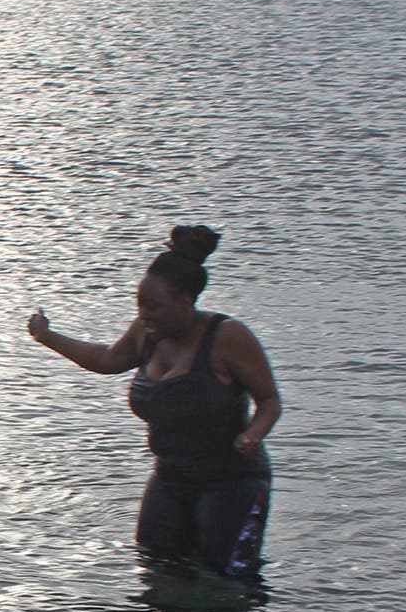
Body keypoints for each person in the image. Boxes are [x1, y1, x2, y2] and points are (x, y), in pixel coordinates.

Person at [27, 225, 282, 582]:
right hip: (170, 476)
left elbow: (269, 401)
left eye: (153, 307)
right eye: (139, 305)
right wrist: (47, 336)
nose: (143, 314)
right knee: (156, 565)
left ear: (184, 302)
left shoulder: (228, 338)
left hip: (230, 480)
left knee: (224, 576)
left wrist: (254, 434)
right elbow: (105, 360)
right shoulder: (146, 332)